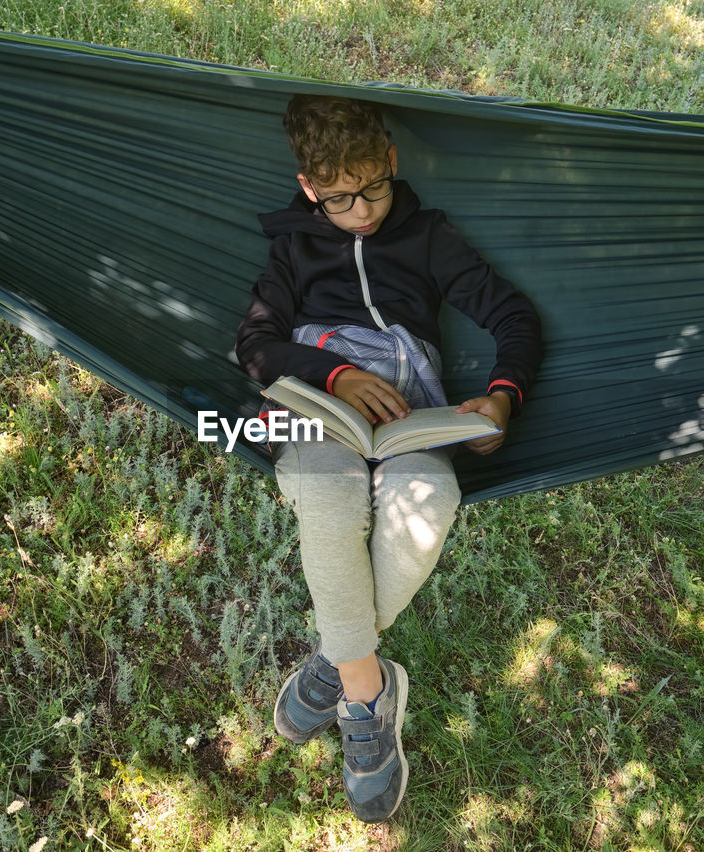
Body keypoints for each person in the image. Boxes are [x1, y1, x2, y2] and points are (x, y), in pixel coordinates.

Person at [235, 94, 541, 822]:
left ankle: (334, 663)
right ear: (310, 188)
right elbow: (253, 344)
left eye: (374, 187)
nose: (363, 211)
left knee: (430, 501)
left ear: (393, 164)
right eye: (339, 199)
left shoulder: (427, 236)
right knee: (331, 499)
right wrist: (334, 373)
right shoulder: (294, 246)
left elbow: (513, 315)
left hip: (410, 410)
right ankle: (367, 691)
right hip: (321, 401)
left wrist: (503, 398)